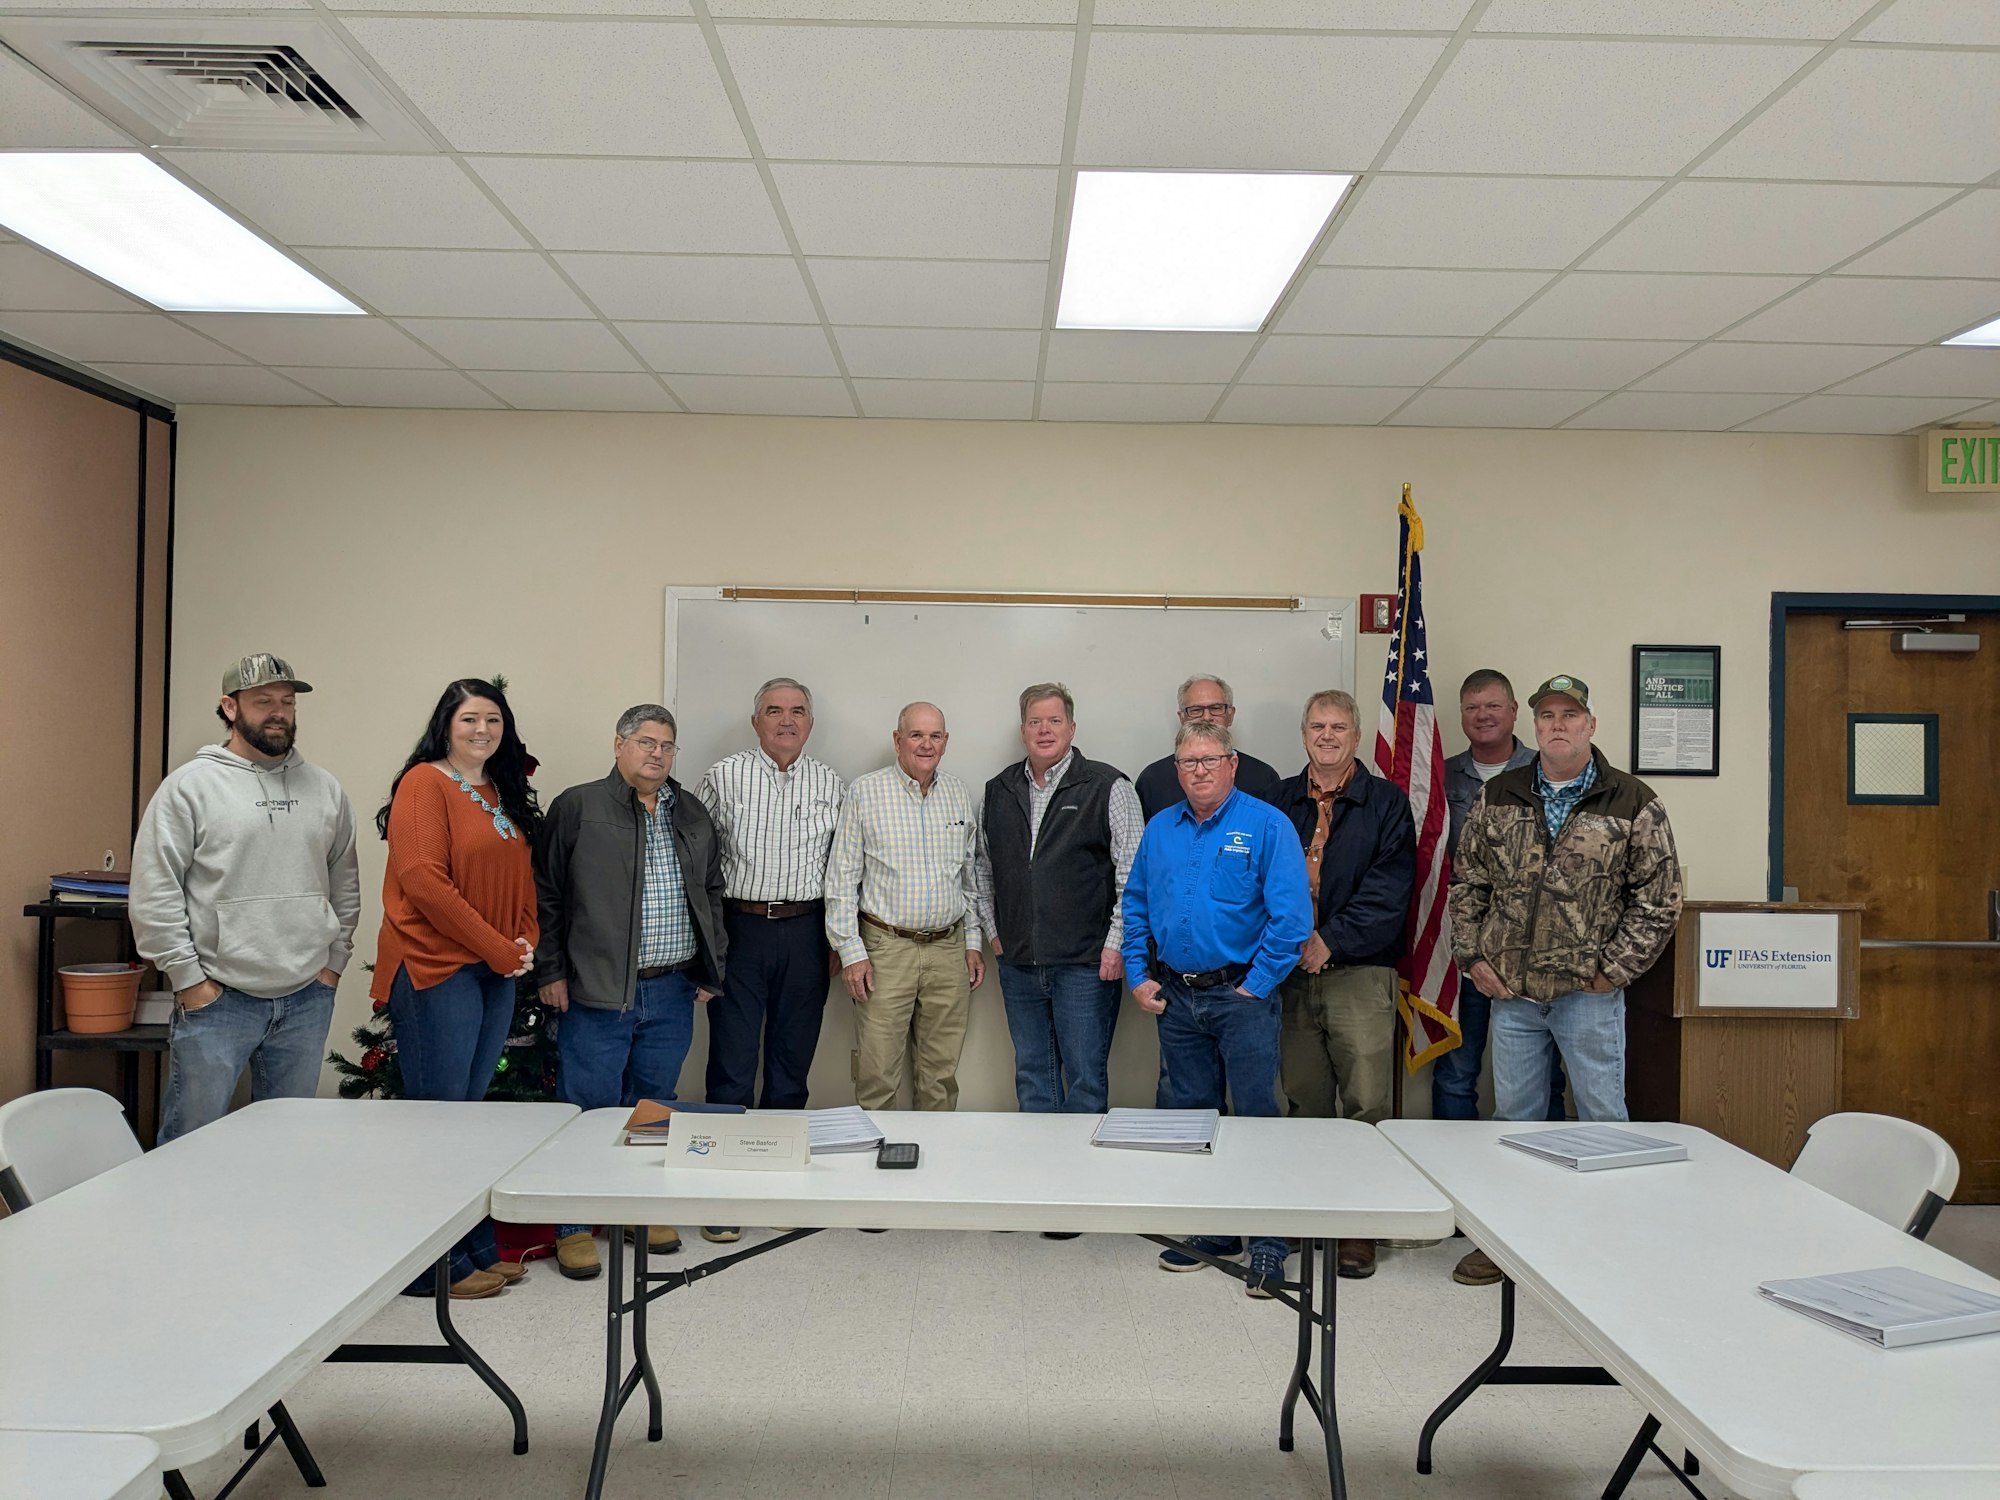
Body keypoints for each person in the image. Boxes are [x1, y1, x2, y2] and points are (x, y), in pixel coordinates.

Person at [1449, 674, 1683, 1285]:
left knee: (1603, 1119)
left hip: (1589, 996)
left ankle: (1612, 1244)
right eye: (1547, 715)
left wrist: (1614, 972)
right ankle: (1508, 1245)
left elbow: (1658, 899)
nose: (1558, 724)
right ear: (1535, 726)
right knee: (1515, 1126)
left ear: (1590, 725)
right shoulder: (1500, 794)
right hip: (1513, 996)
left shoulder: (1632, 800)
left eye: (1570, 715)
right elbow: (1468, 881)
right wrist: (1474, 957)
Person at [132, 654, 359, 1145]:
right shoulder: (189, 788)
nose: (278, 712)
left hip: (306, 996)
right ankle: (181, 1224)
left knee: (288, 1141)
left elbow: (344, 881)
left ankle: (274, 1223)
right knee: (192, 1142)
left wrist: (334, 963)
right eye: (263, 702)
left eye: (287, 701)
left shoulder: (325, 789)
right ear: (229, 708)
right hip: (218, 999)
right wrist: (188, 979)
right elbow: (155, 889)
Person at [536, 705, 727, 1280]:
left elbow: (711, 891)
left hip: (671, 989)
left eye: (668, 746)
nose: (657, 755)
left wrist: (708, 966)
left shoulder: (690, 811)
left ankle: (638, 1212)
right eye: (646, 742)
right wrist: (550, 971)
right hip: (596, 991)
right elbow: (545, 894)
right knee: (586, 1110)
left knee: (654, 1107)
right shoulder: (579, 806)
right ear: (618, 745)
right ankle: (574, 1225)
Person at [1123, 722, 1312, 1298]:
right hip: (1177, 999)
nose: (1199, 770)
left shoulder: (1266, 824)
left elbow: (1291, 919)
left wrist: (1255, 987)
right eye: (1187, 762)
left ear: (1232, 764)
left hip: (1241, 999)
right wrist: (1138, 975)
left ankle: (1270, 1242)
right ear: (1176, 769)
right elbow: (1134, 904)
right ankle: (1216, 1229)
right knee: (1195, 1120)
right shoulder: (1160, 829)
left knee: (1256, 1118)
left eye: (1210, 759)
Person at [374, 678, 542, 1301]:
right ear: (446, 723)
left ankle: (470, 1249)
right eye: (470, 719)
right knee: (438, 1125)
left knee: (465, 1123)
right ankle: (426, 1271)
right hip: (434, 968)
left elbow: (520, 875)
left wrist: (524, 941)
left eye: (493, 720)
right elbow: (423, 881)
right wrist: (499, 949)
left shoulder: (496, 791)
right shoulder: (424, 783)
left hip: (491, 970)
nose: (482, 730)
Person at [1260, 689, 1415, 1280]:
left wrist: (1332, 939)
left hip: (1359, 973)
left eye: (1340, 727)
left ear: (1355, 737)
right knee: (1304, 1100)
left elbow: (1389, 889)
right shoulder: (1277, 801)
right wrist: (1292, 943)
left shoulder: (1387, 804)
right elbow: (1258, 882)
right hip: (1289, 973)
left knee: (1367, 1104)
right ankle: (1311, 1213)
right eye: (1318, 726)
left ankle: (1359, 1227)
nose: (1328, 736)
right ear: (1303, 734)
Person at [694, 676, 843, 1244]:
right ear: (755, 721)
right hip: (741, 929)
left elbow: (842, 868)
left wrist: (835, 939)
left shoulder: (832, 783)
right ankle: (721, 1195)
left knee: (791, 1062)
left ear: (810, 723)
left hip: (806, 931)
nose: (786, 720)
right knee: (731, 1062)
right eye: (774, 710)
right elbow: (697, 861)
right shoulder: (723, 777)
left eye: (798, 711)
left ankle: (781, 1186)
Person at [974, 683, 1141, 1126]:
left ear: (1072, 727)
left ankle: (1081, 1186)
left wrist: (1116, 944)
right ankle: (1038, 1180)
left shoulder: (1108, 785)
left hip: (1086, 965)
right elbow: (983, 868)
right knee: (1033, 1077)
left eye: (1054, 720)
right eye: (1034, 721)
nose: (1044, 730)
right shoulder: (999, 790)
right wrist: (995, 932)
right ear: (1022, 729)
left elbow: (1133, 875)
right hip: (1019, 965)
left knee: (1085, 1080)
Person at [824, 702, 983, 1116]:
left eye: (935, 736)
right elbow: (841, 879)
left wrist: (973, 942)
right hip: (884, 948)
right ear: (897, 741)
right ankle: (877, 1171)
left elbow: (970, 877)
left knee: (941, 1075)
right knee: (877, 1072)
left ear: (946, 742)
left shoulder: (958, 793)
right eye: (916, 735)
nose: (926, 744)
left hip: (948, 949)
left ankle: (935, 1166)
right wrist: (851, 952)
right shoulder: (865, 791)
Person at [1433, 669, 1554, 1128]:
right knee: (1457, 1070)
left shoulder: (1547, 772)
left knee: (1542, 1077)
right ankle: (1452, 1172)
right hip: (1461, 948)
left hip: (1530, 949)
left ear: (1514, 712)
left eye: (1492, 706)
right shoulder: (1442, 779)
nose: (1482, 716)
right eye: (1472, 707)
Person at [1134, 674, 1282, 821]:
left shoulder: (1264, 777)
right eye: (1196, 710)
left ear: (1230, 715)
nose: (1206, 717)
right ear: (1182, 718)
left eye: (1216, 708)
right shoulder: (1152, 780)